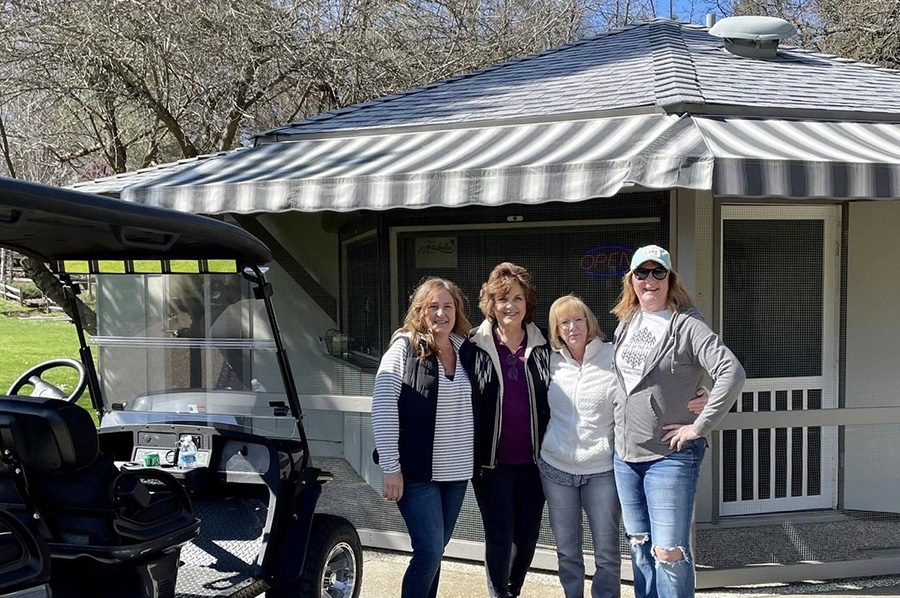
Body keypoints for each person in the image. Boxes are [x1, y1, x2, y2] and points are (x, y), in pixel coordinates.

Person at [540, 295, 709, 598]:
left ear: (589, 321)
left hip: (602, 468)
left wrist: (704, 393)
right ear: (556, 329)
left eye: (578, 319)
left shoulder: (613, 355)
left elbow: (659, 376)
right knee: (566, 551)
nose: (572, 327)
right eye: (564, 322)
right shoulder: (548, 362)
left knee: (606, 553)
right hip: (556, 468)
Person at [611, 245, 745, 598]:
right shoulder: (627, 321)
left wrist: (699, 424)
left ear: (670, 279)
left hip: (670, 457)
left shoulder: (686, 324)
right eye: (642, 273)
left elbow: (731, 372)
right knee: (640, 548)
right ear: (632, 279)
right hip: (626, 457)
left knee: (668, 553)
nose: (650, 281)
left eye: (658, 273)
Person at [371, 277, 477, 598]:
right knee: (429, 551)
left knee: (435, 552)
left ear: (457, 311)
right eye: (433, 307)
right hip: (416, 474)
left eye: (448, 307)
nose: (441, 314)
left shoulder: (468, 350)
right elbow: (383, 405)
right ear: (421, 310)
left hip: (456, 473)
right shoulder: (404, 347)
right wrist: (391, 467)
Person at [469, 262, 551, 598]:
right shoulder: (472, 347)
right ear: (491, 303)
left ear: (527, 302)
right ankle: (498, 593)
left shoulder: (545, 348)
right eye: (502, 299)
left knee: (528, 534)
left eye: (517, 298)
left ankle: (513, 588)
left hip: (534, 462)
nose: (510, 306)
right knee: (500, 533)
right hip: (492, 463)